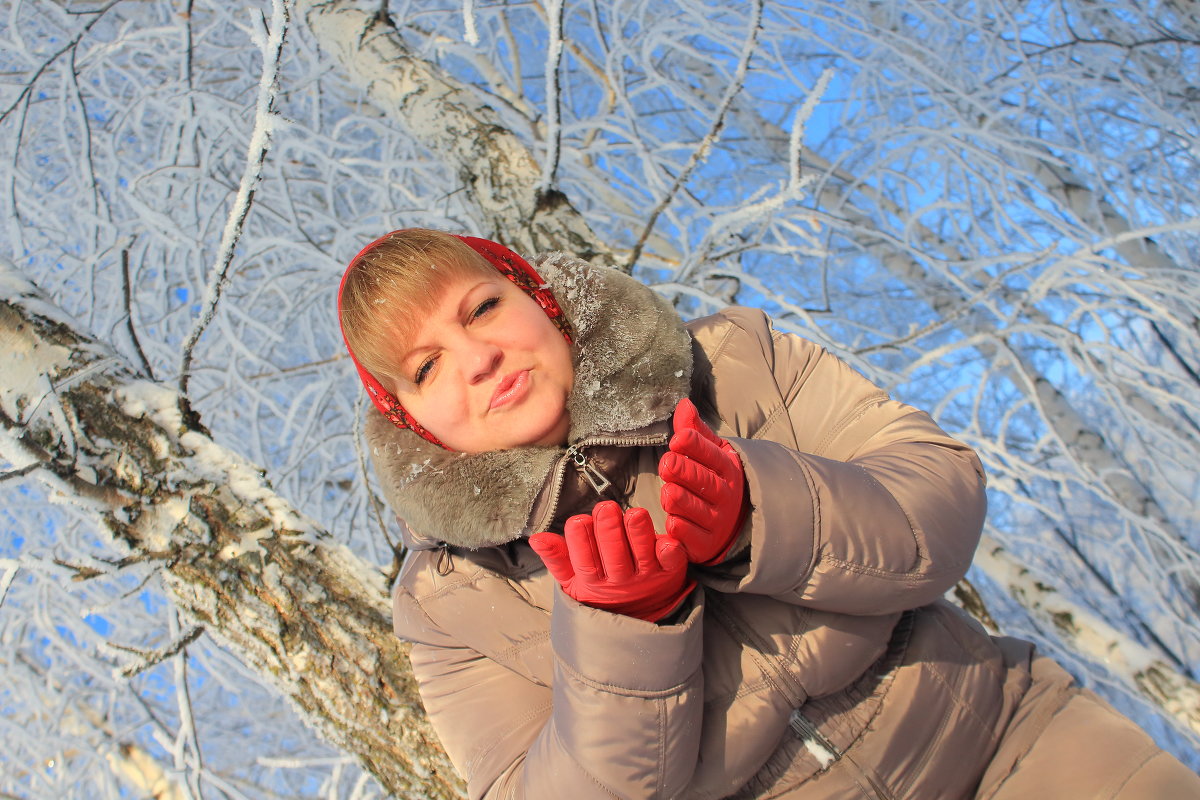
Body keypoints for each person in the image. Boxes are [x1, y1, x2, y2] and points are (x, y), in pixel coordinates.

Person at [338, 229, 1200, 799]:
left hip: (1023, 748)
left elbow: (940, 497)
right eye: (426, 366)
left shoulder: (733, 363)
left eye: (482, 307)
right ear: (411, 422)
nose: (479, 359)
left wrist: (758, 514)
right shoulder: (448, 601)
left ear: (543, 300)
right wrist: (626, 630)